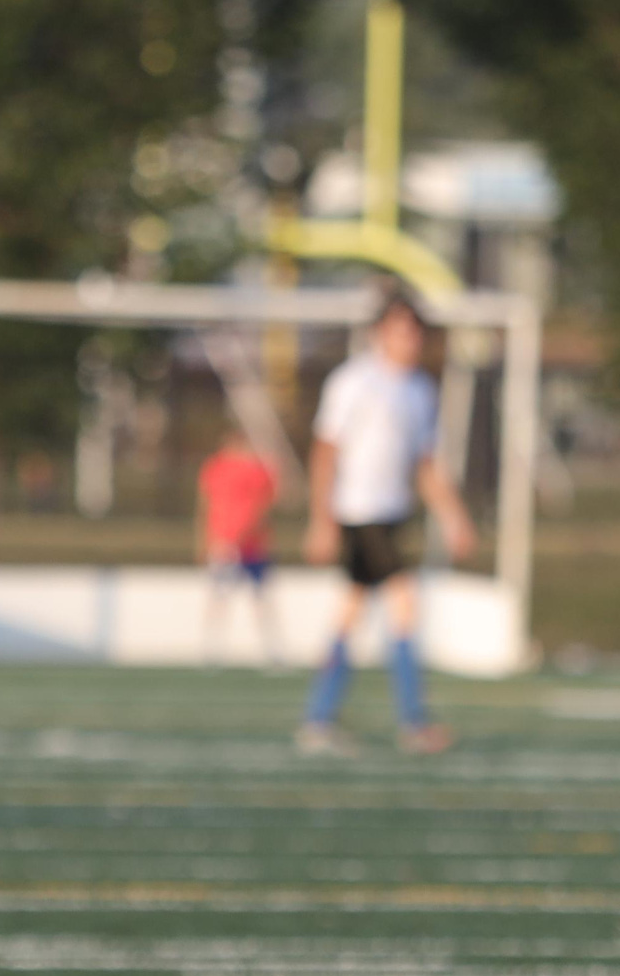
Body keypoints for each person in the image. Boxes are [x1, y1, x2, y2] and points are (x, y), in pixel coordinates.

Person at [298, 289, 478, 755]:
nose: (409, 339)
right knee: (404, 604)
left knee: (351, 614)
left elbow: (425, 466)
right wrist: (321, 519)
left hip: (392, 514)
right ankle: (414, 723)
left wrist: (454, 517)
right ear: (380, 333)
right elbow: (325, 451)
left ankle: (318, 719)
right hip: (359, 512)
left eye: (415, 331)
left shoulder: (420, 390)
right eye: (400, 329)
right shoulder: (354, 382)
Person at [197, 424, 280, 667]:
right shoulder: (215, 467)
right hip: (224, 544)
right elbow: (205, 505)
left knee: (261, 599)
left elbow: (266, 505)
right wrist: (206, 541)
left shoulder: (259, 469)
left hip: (253, 545)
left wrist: (248, 533)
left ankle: (272, 653)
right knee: (219, 598)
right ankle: (211, 653)